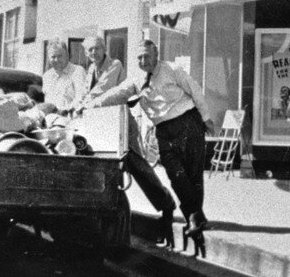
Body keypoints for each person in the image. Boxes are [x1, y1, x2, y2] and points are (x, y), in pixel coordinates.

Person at [85, 39, 214, 256]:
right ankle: (195, 215)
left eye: (147, 56)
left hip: (188, 123)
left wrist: (206, 118)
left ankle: (194, 217)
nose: (143, 61)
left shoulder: (172, 69)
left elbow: (196, 90)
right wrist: (89, 106)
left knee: (193, 175)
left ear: (156, 55)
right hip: (164, 130)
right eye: (139, 58)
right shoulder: (136, 79)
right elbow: (115, 93)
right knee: (176, 175)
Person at [76, 36, 176, 247]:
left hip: (120, 125)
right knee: (111, 171)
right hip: (100, 125)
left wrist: (86, 105)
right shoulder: (89, 72)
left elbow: (105, 91)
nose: (94, 53)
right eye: (90, 50)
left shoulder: (114, 65)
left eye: (97, 49)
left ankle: (166, 205)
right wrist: (79, 105)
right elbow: (85, 94)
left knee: (136, 164)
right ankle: (117, 231)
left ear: (104, 49)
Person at [42, 37, 87, 115]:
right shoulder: (47, 76)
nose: (56, 60)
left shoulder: (77, 72)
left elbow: (81, 99)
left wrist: (64, 112)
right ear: (49, 58)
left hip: (70, 119)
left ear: (67, 55)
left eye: (60, 56)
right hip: (49, 121)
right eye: (53, 57)